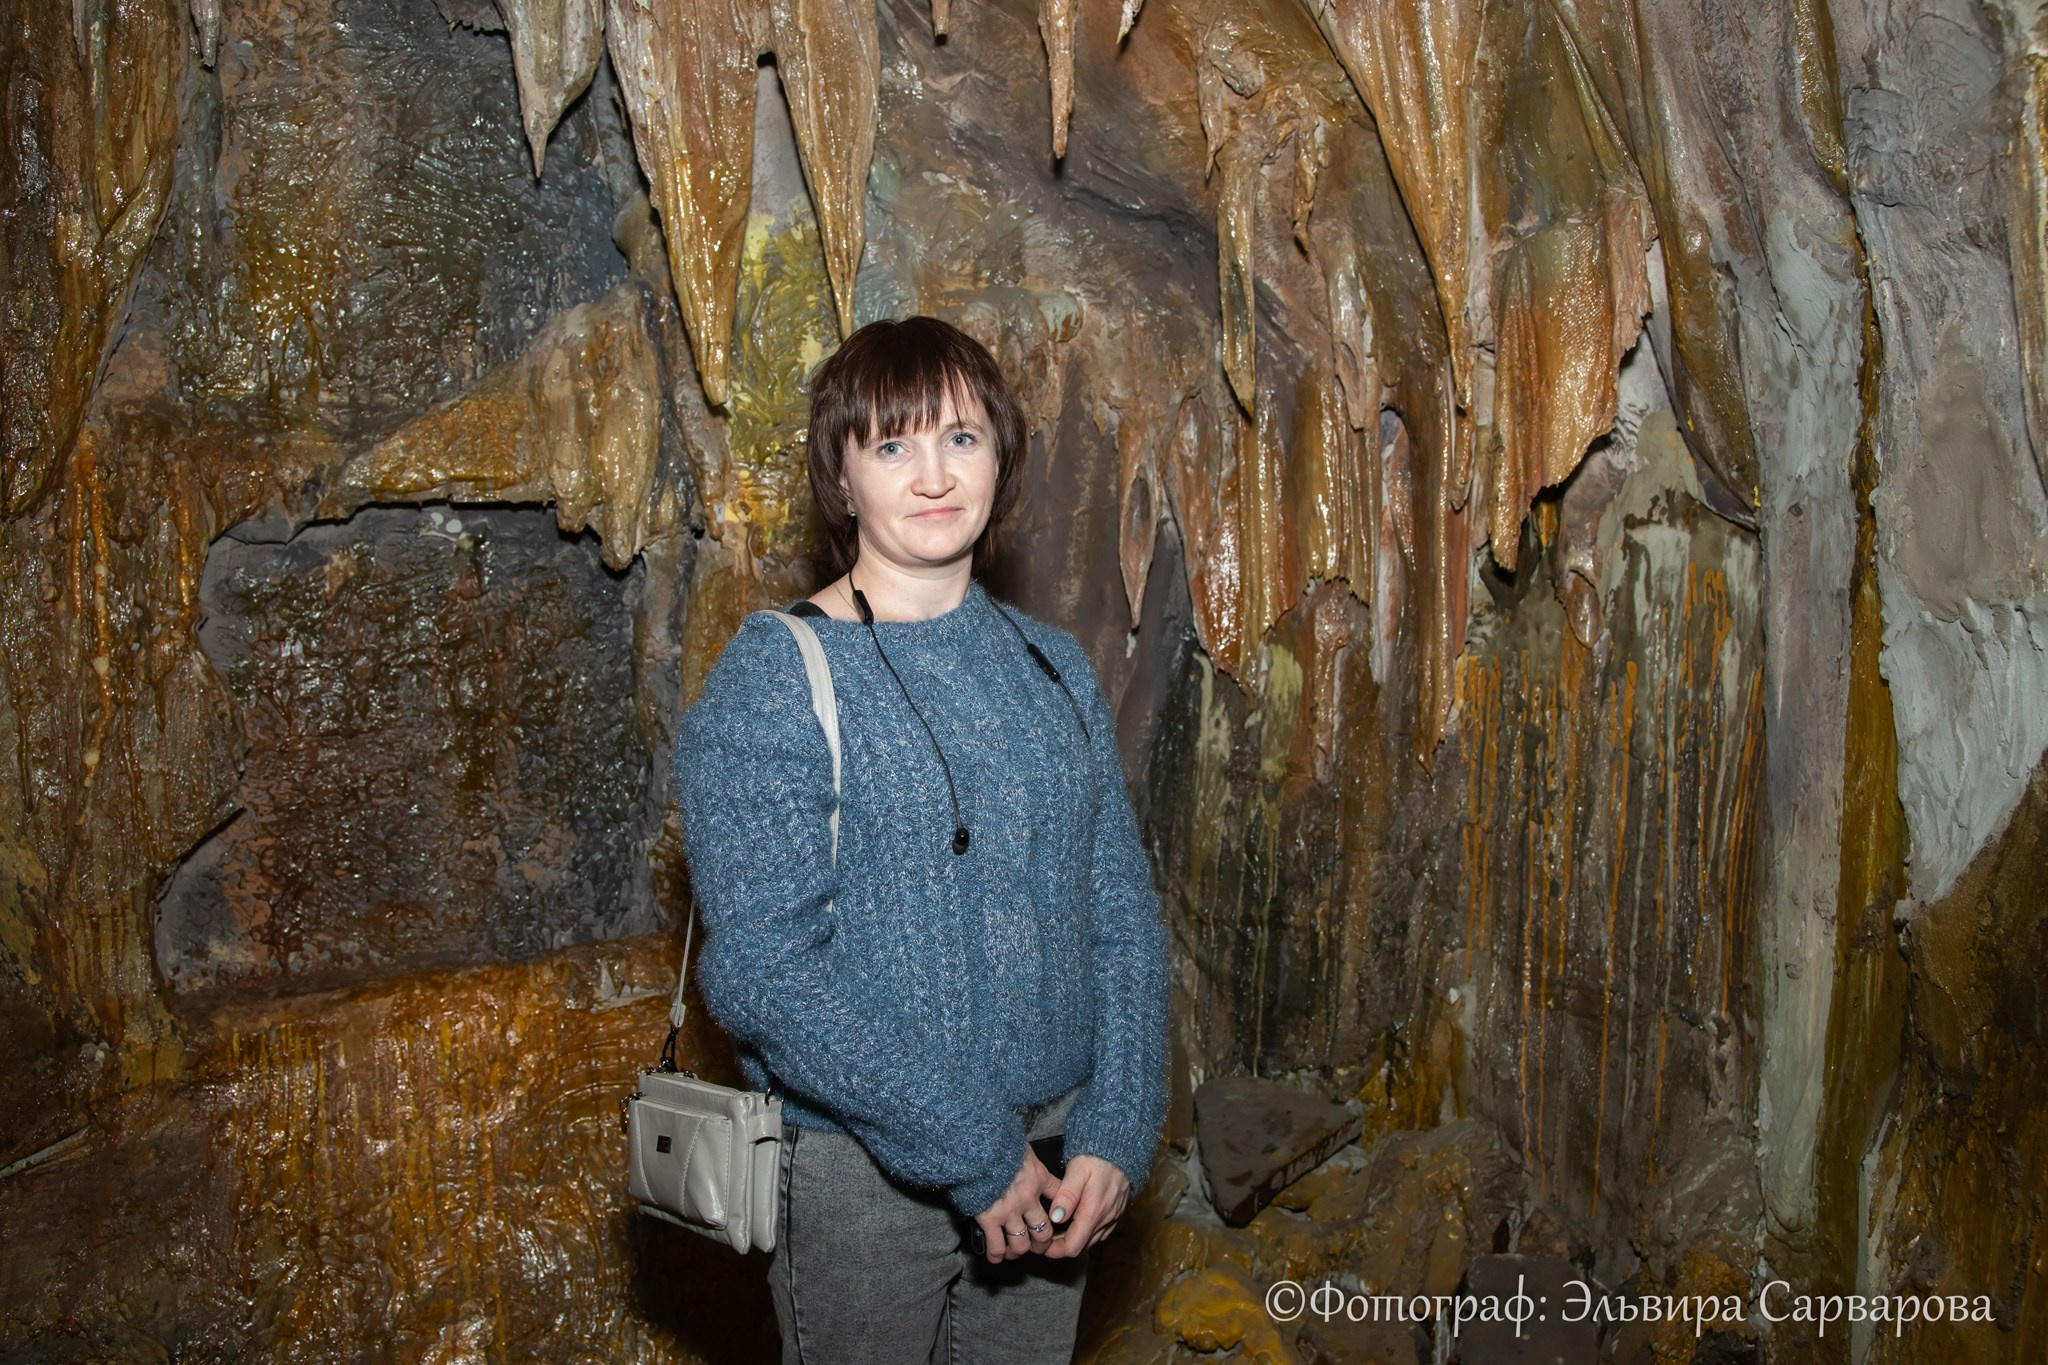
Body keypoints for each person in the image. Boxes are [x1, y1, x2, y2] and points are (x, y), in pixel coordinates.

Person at [671, 316, 1169, 1364]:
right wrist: (969, 1148)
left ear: (1000, 457)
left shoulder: (1051, 667)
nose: (932, 474)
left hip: (1056, 1167)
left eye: (961, 438)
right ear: (841, 479)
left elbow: (1118, 915)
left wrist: (1116, 1126)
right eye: (891, 445)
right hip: (864, 1180)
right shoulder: (775, 678)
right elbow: (762, 971)